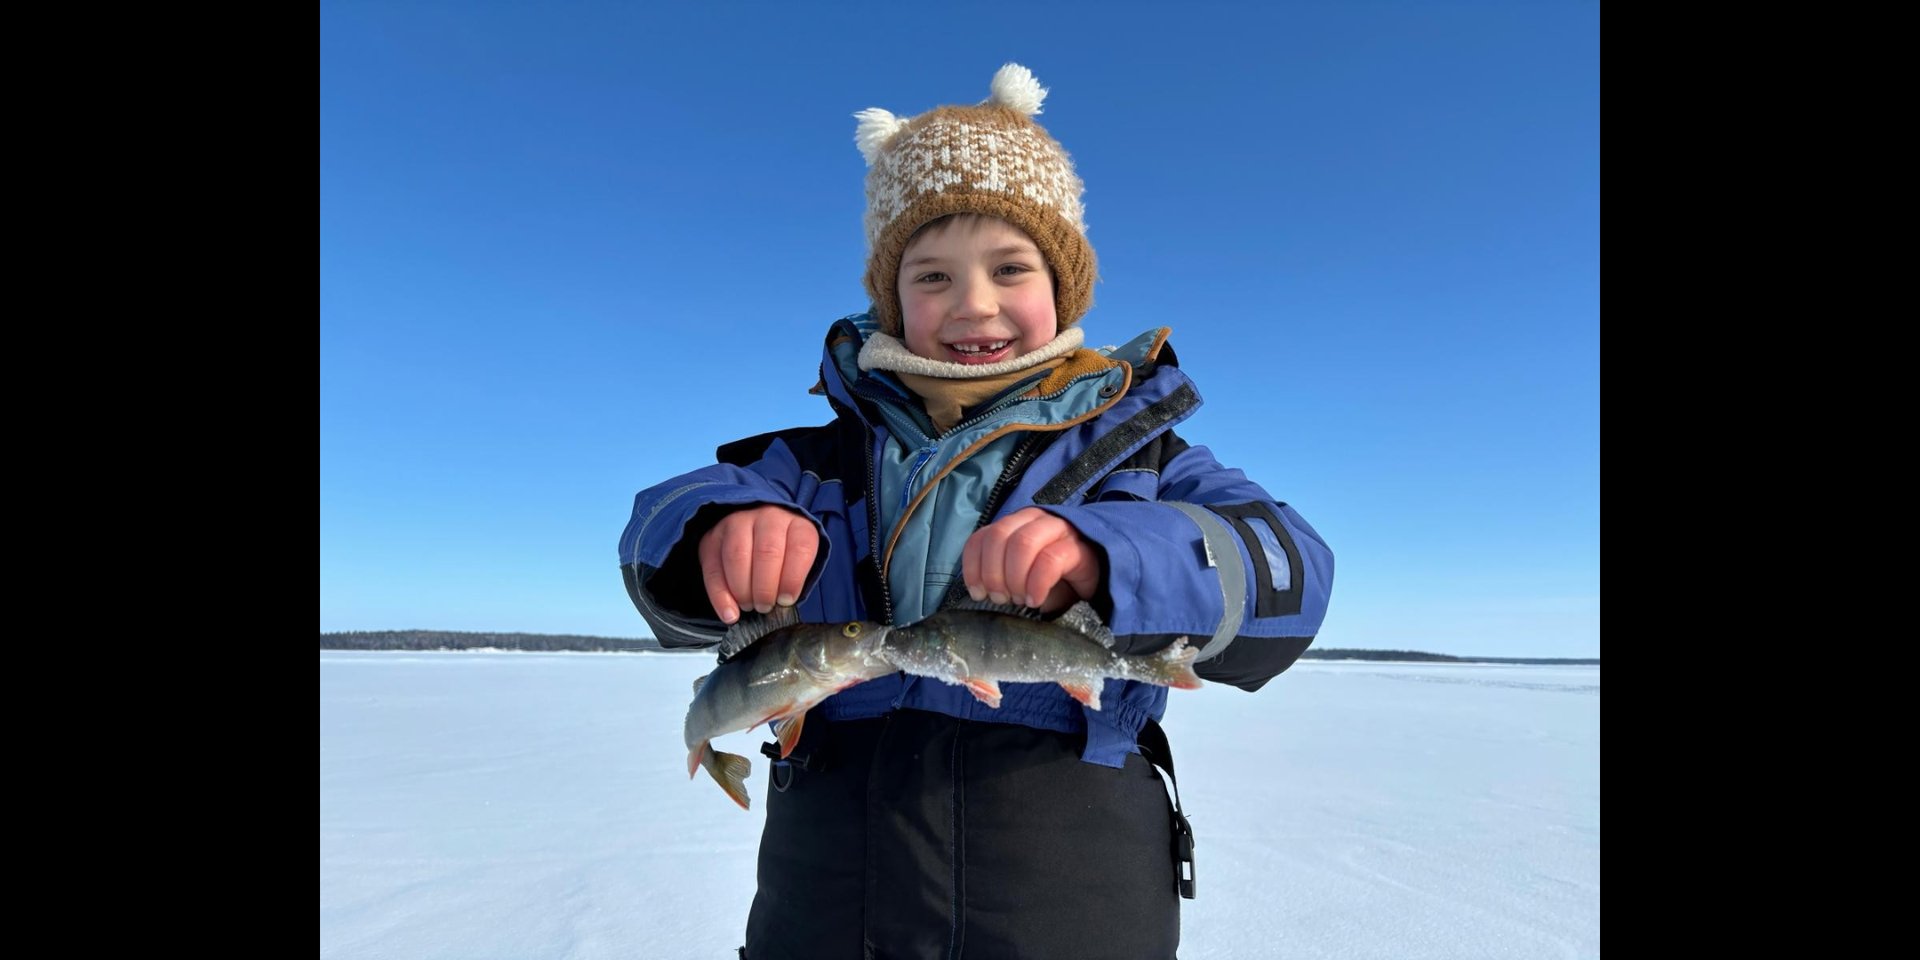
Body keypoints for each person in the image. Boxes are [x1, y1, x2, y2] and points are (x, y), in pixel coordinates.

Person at [619, 63, 1334, 960]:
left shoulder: (1141, 454)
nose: (974, 304)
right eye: (931, 277)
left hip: (1070, 884)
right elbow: (658, 524)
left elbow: (1288, 569)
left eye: (1009, 268)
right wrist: (716, 532)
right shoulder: (808, 465)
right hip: (829, 890)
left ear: (1064, 287)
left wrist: (1118, 555)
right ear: (891, 299)